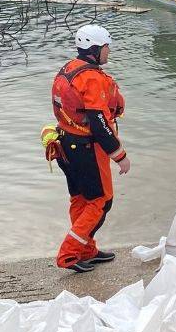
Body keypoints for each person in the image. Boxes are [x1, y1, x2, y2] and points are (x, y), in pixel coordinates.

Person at [50, 25, 130, 273]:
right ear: (96, 49)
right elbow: (99, 122)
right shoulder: (92, 78)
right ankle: (69, 254)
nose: (109, 52)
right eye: (107, 47)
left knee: (81, 199)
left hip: (65, 143)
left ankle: (87, 250)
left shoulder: (68, 69)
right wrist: (119, 155)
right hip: (85, 147)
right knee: (100, 201)